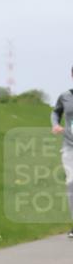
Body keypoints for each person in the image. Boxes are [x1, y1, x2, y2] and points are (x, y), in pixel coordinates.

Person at [51, 66, 73, 239]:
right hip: (69, 146)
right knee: (71, 183)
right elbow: (56, 112)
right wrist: (55, 124)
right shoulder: (65, 97)